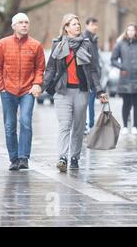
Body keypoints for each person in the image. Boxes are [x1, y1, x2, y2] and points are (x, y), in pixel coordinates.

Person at [43, 14, 108, 172]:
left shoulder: (86, 44)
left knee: (78, 127)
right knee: (64, 125)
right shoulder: (57, 44)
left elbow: (92, 70)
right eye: (73, 24)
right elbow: (51, 68)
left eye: (78, 24)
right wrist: (41, 86)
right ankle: (63, 157)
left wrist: (99, 90)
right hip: (62, 92)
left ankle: (74, 157)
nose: (77, 26)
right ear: (66, 27)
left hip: (81, 91)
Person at [0, 13, 45, 171]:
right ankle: (14, 158)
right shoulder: (3, 43)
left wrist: (37, 84)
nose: (24, 25)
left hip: (27, 90)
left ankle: (23, 158)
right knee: (9, 125)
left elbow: (40, 68)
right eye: (21, 22)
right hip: (8, 90)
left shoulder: (36, 45)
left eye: (26, 22)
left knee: (26, 122)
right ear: (14, 26)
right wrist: (0, 87)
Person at [111, 24, 137, 136]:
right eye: (129, 30)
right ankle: (126, 126)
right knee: (126, 103)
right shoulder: (120, 44)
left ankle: (135, 126)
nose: (131, 32)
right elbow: (113, 59)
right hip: (125, 77)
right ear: (126, 31)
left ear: (136, 32)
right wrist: (121, 66)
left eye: (133, 30)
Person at [83, 17, 101, 134]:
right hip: (87, 77)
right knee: (88, 102)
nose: (95, 27)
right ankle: (87, 125)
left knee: (91, 102)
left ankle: (91, 125)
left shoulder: (94, 39)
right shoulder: (85, 39)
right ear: (87, 25)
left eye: (96, 24)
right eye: (92, 24)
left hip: (95, 75)